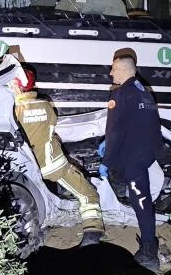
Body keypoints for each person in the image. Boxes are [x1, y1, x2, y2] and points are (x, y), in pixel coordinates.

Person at [10, 62, 106, 247]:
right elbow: (50, 127)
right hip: (55, 165)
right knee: (88, 194)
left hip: (31, 167)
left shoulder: (12, 110)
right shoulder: (45, 105)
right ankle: (92, 235)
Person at [101, 47, 164, 271]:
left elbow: (115, 132)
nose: (111, 73)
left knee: (141, 201)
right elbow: (151, 123)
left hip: (133, 157)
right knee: (142, 199)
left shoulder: (120, 94)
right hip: (145, 154)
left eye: (114, 69)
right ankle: (148, 245)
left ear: (125, 70)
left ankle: (149, 253)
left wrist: (107, 161)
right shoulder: (144, 91)